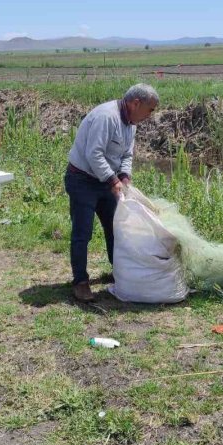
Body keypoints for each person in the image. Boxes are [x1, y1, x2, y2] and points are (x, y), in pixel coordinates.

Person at [65, 83, 160, 302]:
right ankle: (80, 282)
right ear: (136, 103)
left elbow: (127, 153)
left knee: (116, 227)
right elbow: (94, 154)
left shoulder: (132, 122)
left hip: (106, 181)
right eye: (150, 109)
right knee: (83, 232)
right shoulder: (106, 117)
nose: (150, 115)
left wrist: (124, 176)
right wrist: (112, 179)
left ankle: (120, 272)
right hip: (82, 180)